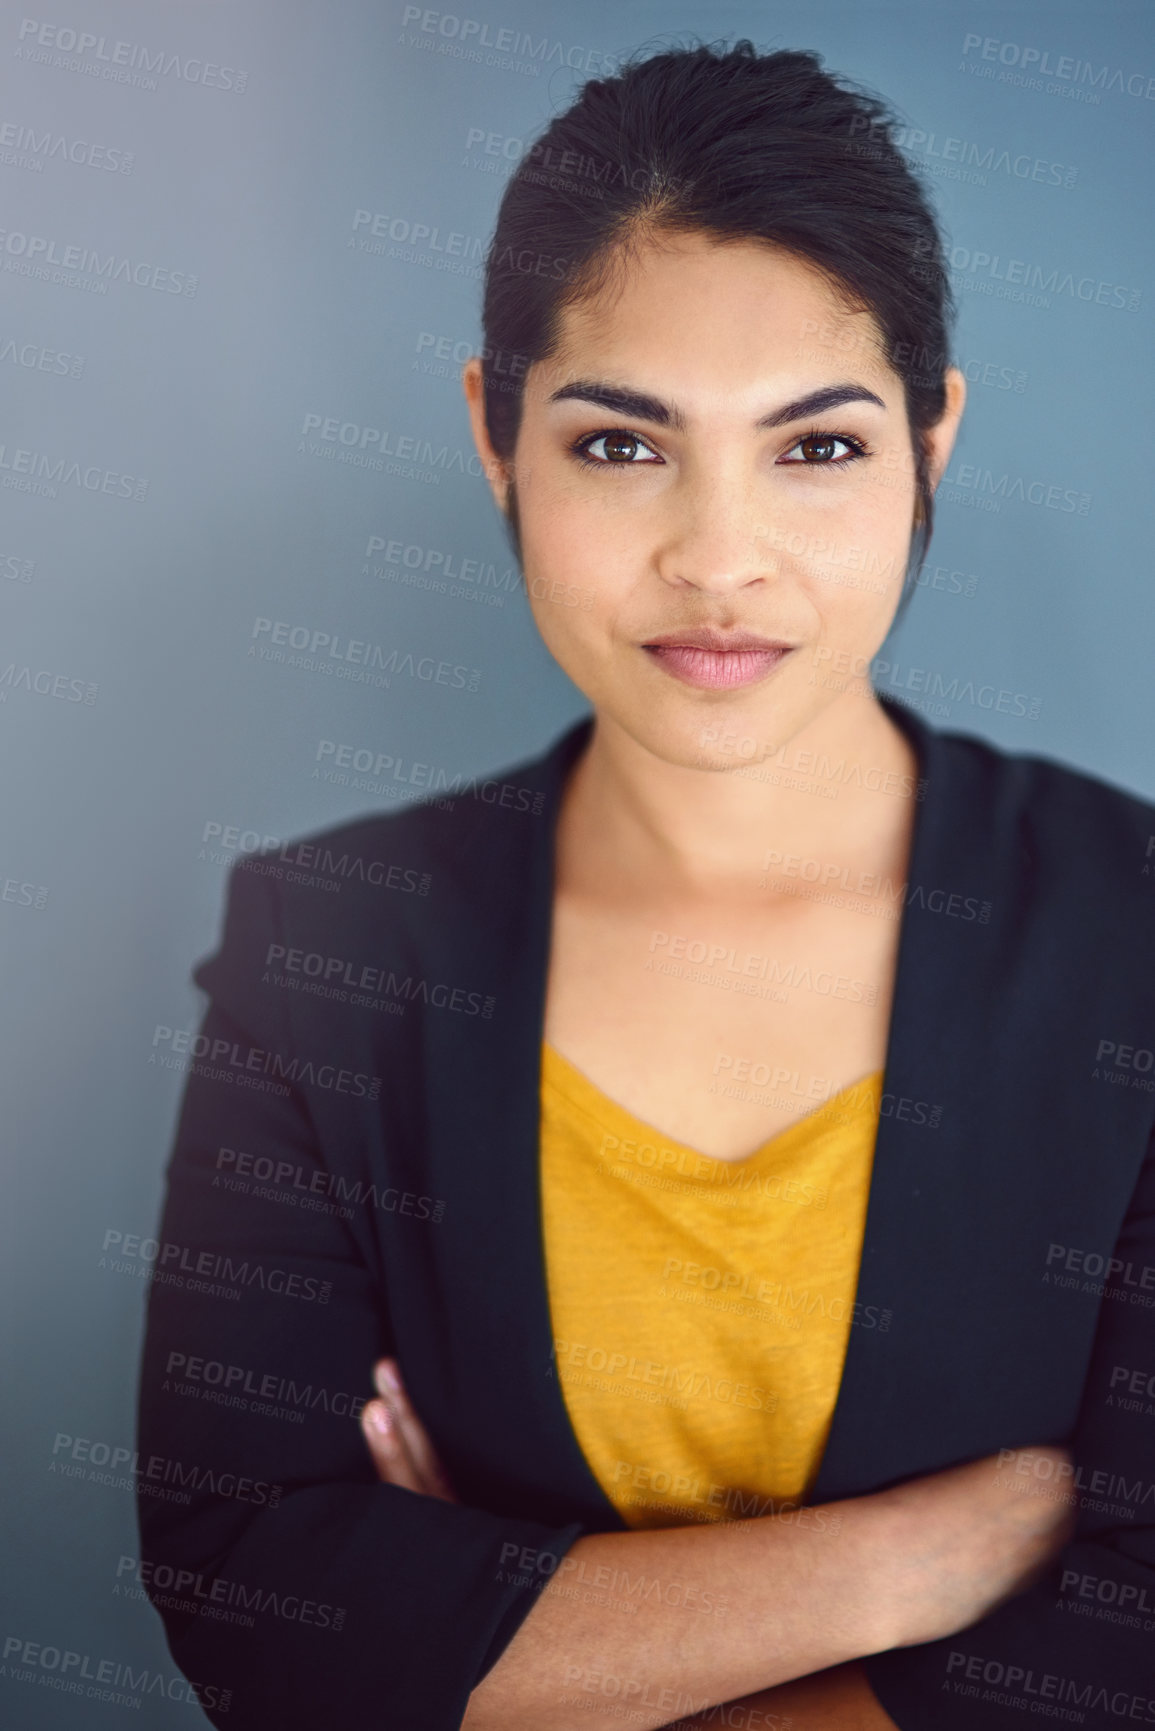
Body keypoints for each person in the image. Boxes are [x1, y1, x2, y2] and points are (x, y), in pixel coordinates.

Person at [136, 40, 1155, 1731]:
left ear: (932, 441)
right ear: (493, 435)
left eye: (816, 450)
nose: (719, 556)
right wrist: (914, 1563)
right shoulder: (328, 950)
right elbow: (256, 1600)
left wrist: (537, 1650)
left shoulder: (1132, 938)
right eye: (621, 447)